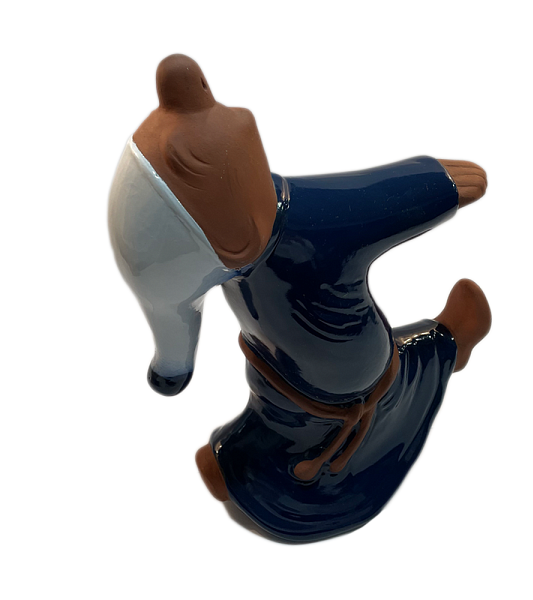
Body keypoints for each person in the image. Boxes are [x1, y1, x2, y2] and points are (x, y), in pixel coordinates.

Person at [122, 52, 492, 545]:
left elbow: (377, 199)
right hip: (273, 368)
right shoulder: (235, 249)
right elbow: (174, 300)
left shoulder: (310, 223)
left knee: (368, 391)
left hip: (345, 374)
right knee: (274, 418)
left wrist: (438, 185)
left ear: (235, 237)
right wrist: (174, 359)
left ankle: (449, 341)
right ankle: (254, 466)